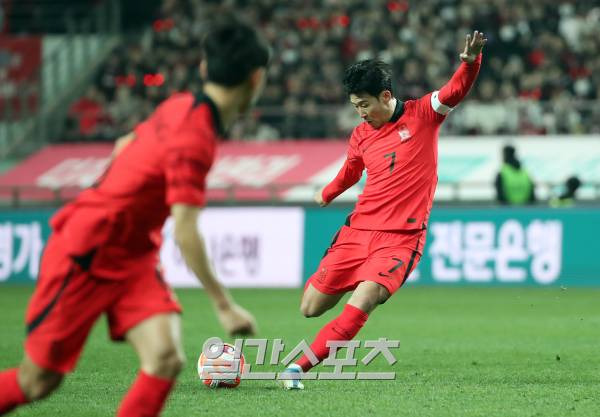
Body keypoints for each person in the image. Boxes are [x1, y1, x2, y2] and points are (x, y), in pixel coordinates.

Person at [0, 15, 270, 416]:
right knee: (37, 381)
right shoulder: (194, 138)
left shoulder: (181, 105)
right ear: (256, 78)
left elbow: (126, 142)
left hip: (132, 253)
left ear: (202, 68)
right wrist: (224, 304)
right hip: (87, 251)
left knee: (165, 357)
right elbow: (185, 228)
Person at [279, 31, 487, 389]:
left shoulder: (424, 114)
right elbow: (352, 169)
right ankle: (350, 287)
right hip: (357, 232)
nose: (360, 113)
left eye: (364, 105)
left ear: (386, 96)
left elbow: (455, 90)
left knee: (366, 298)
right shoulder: (361, 134)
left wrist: (470, 62)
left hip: (400, 240)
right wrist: (328, 192)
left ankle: (298, 368)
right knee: (310, 307)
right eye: (355, 106)